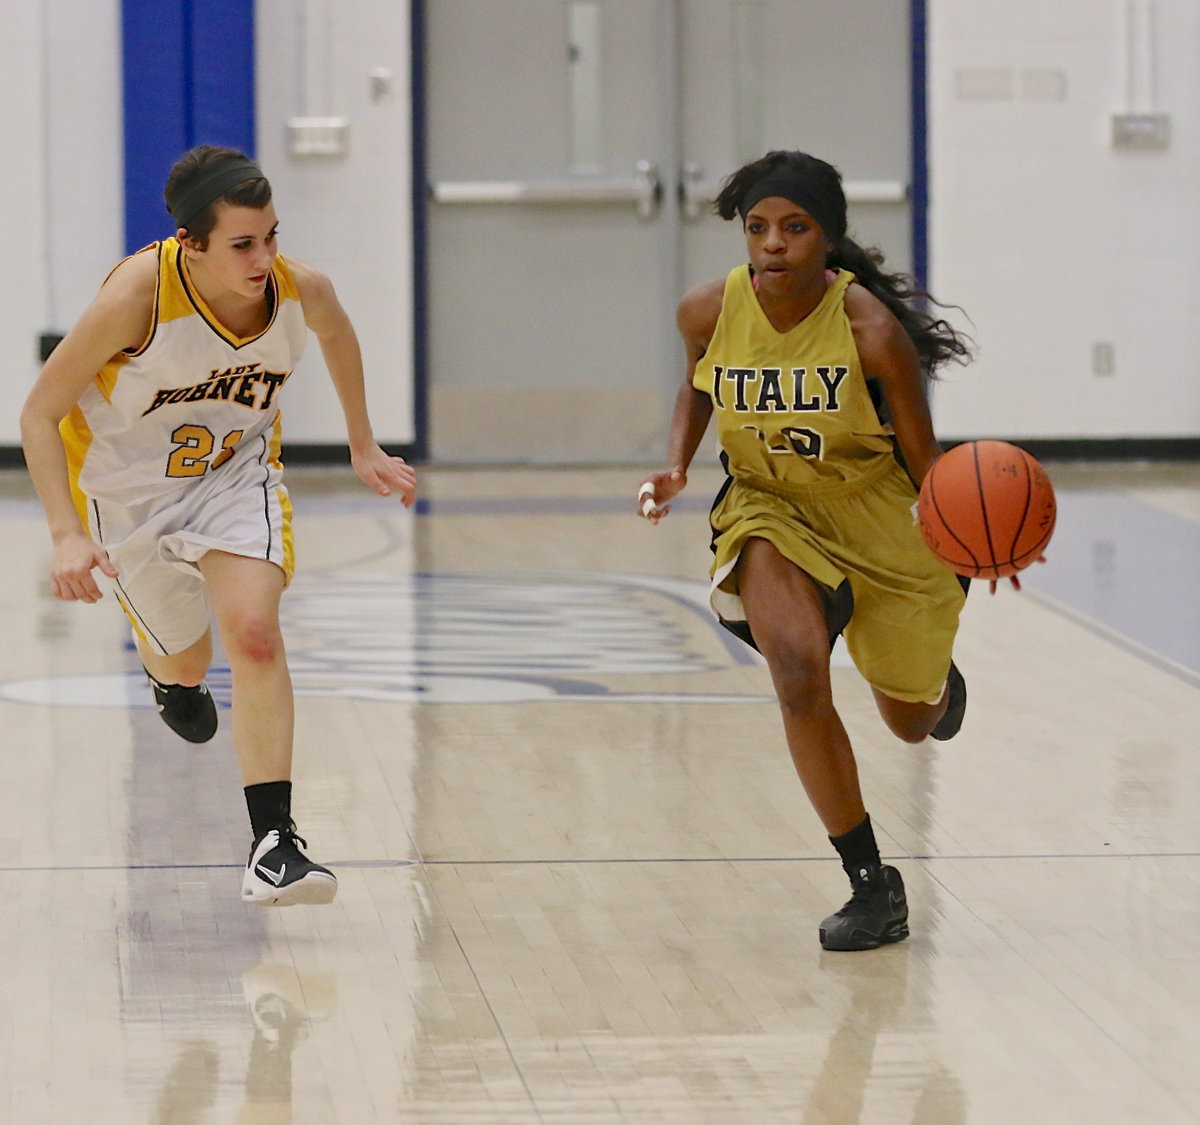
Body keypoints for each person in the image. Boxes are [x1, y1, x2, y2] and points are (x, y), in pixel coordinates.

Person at [20, 144, 417, 907]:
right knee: (191, 665)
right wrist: (67, 533)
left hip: (234, 476)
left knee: (256, 632)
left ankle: (274, 843)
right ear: (190, 245)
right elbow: (39, 412)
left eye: (272, 235)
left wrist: (362, 442)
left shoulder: (301, 290)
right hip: (126, 493)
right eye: (244, 243)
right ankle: (164, 673)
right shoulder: (135, 298)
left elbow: (338, 336)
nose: (266, 256)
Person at [638, 150, 973, 951]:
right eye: (758, 228)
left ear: (827, 237)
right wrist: (679, 461)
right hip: (769, 505)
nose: (773, 244)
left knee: (910, 722)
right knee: (796, 671)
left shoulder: (870, 328)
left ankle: (937, 691)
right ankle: (870, 882)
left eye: (794, 227)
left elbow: (923, 458)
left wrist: (972, 539)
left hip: (879, 516)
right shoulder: (706, 310)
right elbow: (696, 382)